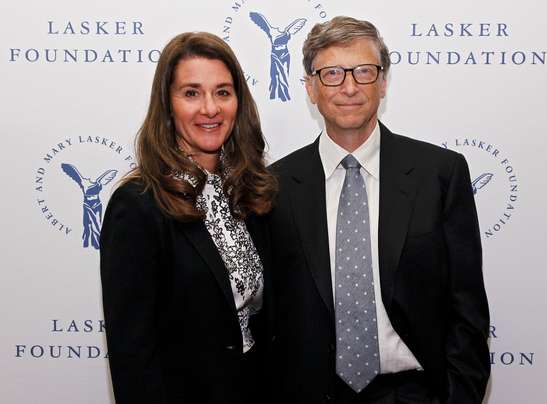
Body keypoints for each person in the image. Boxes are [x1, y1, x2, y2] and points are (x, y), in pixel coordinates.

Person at [268, 16, 490, 404]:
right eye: (332, 73)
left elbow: (467, 308)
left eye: (364, 72)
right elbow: (269, 315)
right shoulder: (275, 186)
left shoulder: (440, 174)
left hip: (414, 392)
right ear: (310, 87)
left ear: (384, 81)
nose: (350, 87)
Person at [100, 32, 277, 404]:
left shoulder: (250, 192)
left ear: (238, 102)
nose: (210, 109)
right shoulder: (137, 206)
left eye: (223, 92)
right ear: (167, 104)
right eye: (191, 93)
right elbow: (132, 352)